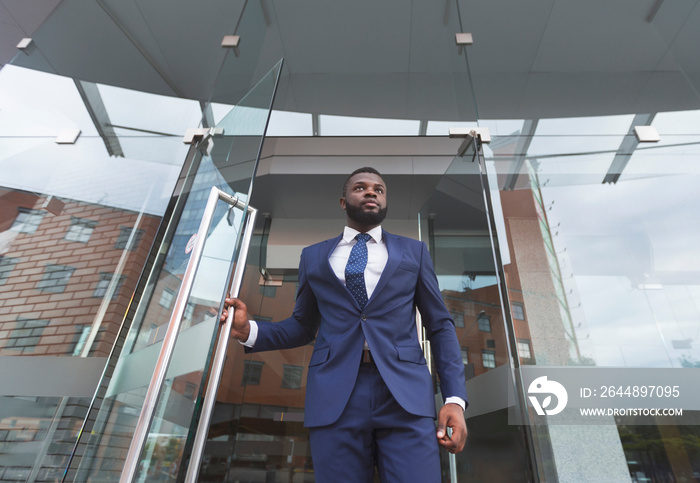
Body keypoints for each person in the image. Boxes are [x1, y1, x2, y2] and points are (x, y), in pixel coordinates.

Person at [222, 167, 468, 482]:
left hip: (405, 395)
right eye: (360, 187)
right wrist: (248, 331)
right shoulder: (313, 257)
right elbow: (302, 325)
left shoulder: (414, 252)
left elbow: (440, 326)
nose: (371, 192)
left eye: (379, 189)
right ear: (343, 201)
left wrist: (454, 399)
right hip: (336, 394)